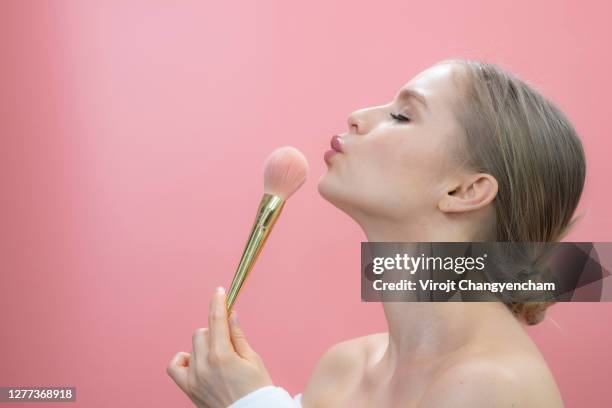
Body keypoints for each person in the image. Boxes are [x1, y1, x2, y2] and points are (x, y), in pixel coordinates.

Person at [167, 58, 586, 407]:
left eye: (402, 116)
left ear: (464, 190)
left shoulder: (498, 388)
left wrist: (251, 402)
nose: (357, 117)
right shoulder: (342, 371)